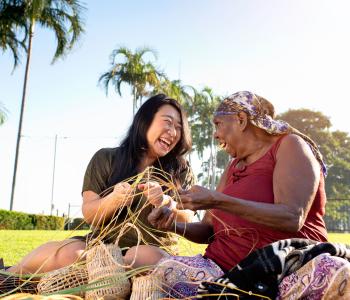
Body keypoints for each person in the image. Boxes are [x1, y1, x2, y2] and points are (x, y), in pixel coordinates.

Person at [124, 91, 347, 298]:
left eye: (218, 124)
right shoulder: (233, 167)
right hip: (219, 270)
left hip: (283, 270)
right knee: (153, 266)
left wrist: (216, 199)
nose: (215, 133)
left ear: (241, 119)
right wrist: (172, 225)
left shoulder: (289, 146)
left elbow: (292, 217)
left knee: (338, 273)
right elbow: (208, 230)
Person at [6, 94, 194, 275]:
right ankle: (8, 275)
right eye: (167, 122)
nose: (174, 132)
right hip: (101, 248)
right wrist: (113, 200)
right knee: (72, 254)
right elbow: (90, 214)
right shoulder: (107, 158)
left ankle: (110, 277)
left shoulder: (180, 169)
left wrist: (166, 203)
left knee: (141, 256)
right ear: (145, 121)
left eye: (179, 127)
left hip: (153, 250)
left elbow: (188, 218)